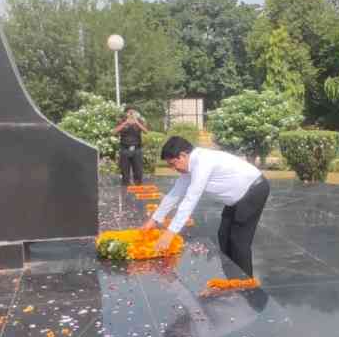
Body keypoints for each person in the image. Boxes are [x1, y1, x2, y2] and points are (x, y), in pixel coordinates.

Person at [141, 136, 270, 276]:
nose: (173, 169)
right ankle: (233, 280)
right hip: (236, 198)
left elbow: (191, 199)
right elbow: (175, 194)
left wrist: (169, 234)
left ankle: (247, 287)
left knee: (239, 242)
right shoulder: (190, 166)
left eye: (173, 164)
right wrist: (153, 220)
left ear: (183, 155)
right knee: (224, 236)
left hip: (253, 191)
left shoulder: (203, 162)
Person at [113, 107, 148, 186]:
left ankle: (138, 188)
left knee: (138, 172)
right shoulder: (121, 121)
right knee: (125, 173)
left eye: (133, 112)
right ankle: (125, 192)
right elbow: (114, 132)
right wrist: (125, 123)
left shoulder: (140, 120)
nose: (131, 114)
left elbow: (146, 131)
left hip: (137, 149)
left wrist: (137, 123)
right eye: (129, 112)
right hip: (125, 149)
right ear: (126, 113)